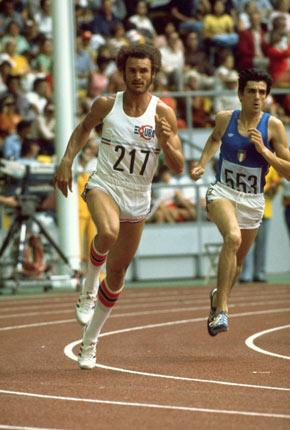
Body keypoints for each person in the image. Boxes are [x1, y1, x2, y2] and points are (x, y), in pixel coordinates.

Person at [54, 43, 184, 369]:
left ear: (153, 73)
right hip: (105, 185)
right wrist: (67, 161)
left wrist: (167, 142)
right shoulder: (106, 105)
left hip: (138, 198)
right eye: (132, 71)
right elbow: (83, 129)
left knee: (116, 276)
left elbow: (179, 166)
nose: (138, 76)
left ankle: (89, 342)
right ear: (122, 73)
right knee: (107, 232)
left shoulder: (163, 113)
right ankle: (87, 287)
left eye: (144, 71)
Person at [190, 68, 290, 337]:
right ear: (240, 94)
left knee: (239, 261)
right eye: (251, 91)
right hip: (223, 191)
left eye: (262, 92)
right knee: (232, 238)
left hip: (253, 200)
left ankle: (217, 298)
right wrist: (201, 165)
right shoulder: (225, 119)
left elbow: (288, 170)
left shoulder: (273, 127)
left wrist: (265, 152)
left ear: (267, 96)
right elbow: (213, 140)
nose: (257, 97)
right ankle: (222, 309)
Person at [239, 166, 281, 283]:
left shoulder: (272, 168)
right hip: (248, 210)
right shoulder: (247, 166)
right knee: (247, 244)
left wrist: (273, 188)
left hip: (265, 211)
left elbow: (274, 191)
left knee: (261, 245)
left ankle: (260, 273)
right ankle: (246, 273)